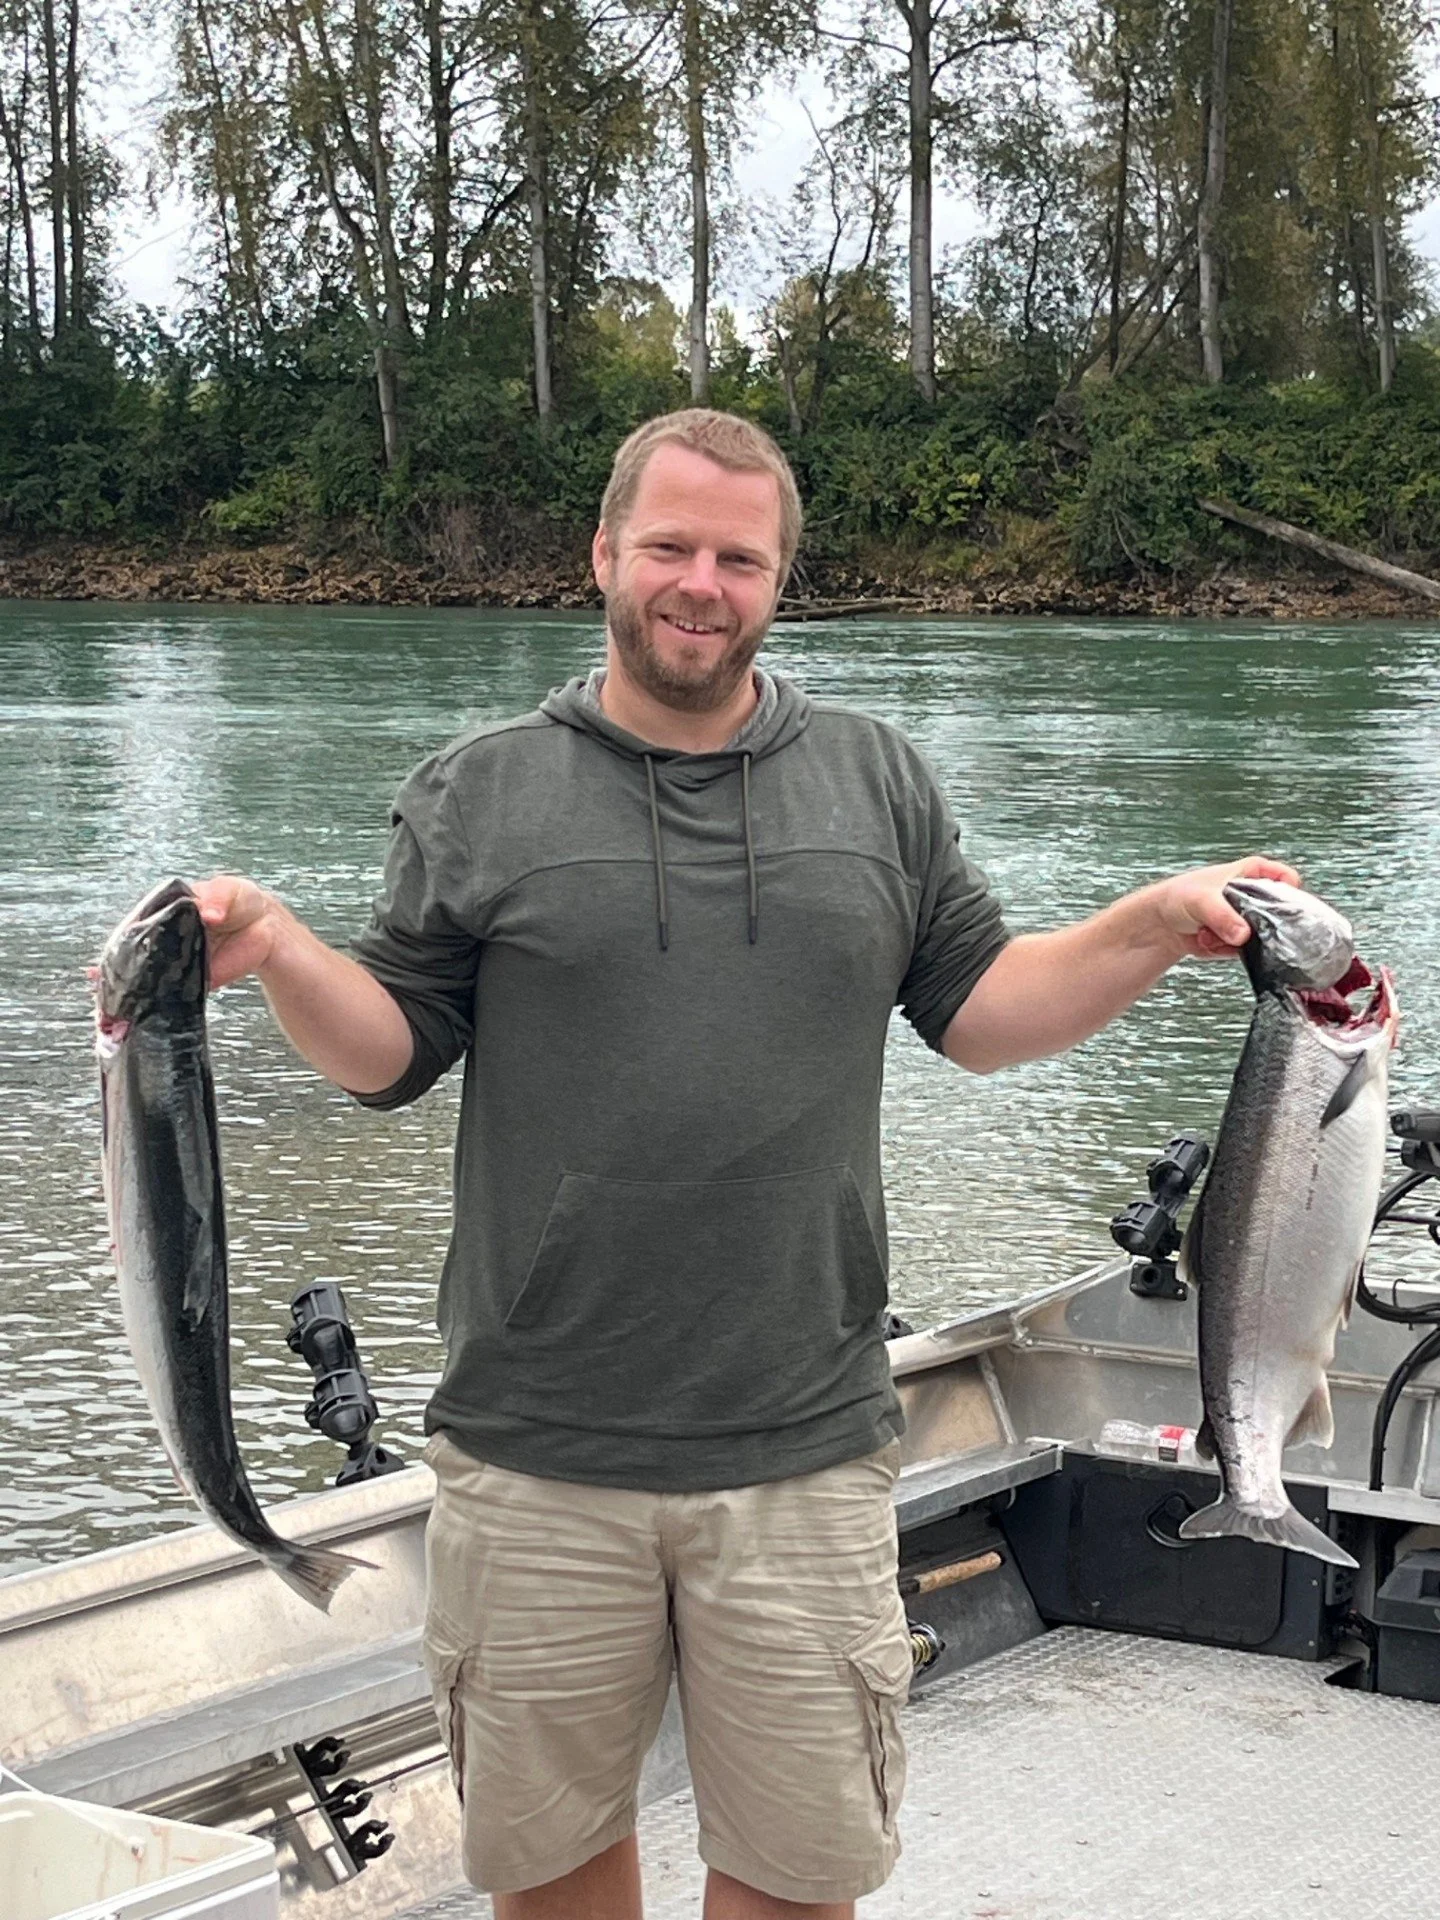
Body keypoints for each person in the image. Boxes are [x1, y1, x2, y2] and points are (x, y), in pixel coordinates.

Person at [194, 408, 1297, 1920]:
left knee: (797, 1882)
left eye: (738, 556)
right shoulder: (480, 790)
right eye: (669, 546)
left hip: (806, 1446)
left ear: (780, 580)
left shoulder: (878, 782)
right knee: (556, 1880)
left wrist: (1156, 922)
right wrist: (274, 953)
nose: (699, 582)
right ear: (603, 555)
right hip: (533, 1453)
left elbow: (981, 1013)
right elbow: (392, 1050)